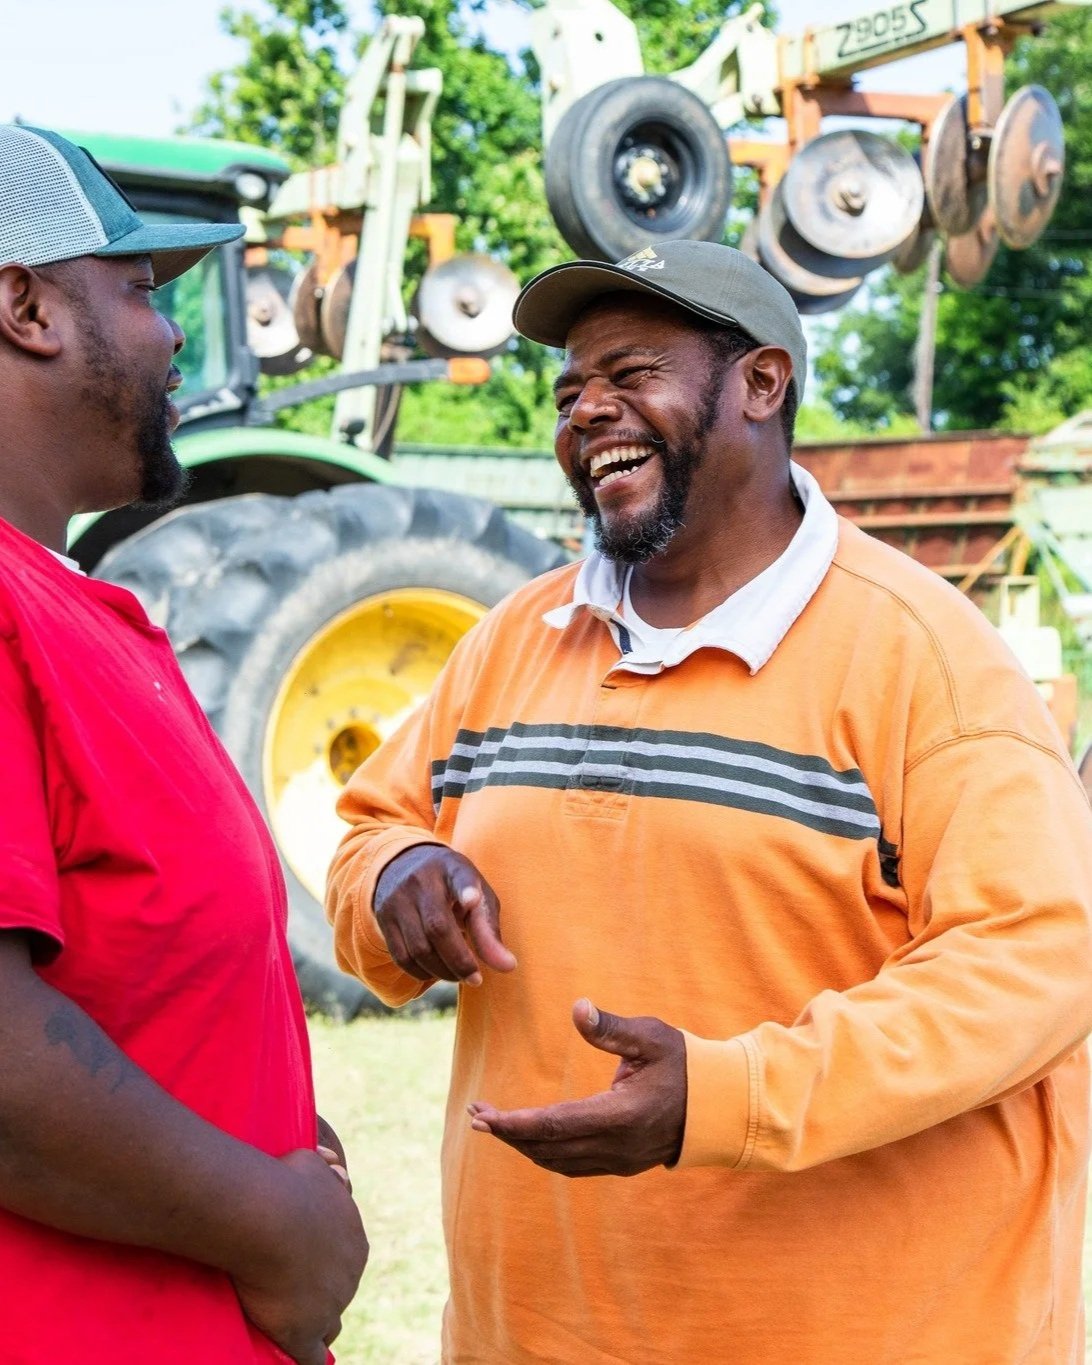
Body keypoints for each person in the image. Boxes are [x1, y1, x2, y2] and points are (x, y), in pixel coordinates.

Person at [327, 238, 1092, 1364]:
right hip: (535, 1337)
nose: (588, 411)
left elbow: (1038, 965)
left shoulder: (922, 657)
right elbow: (363, 836)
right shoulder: (513, 643)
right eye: (571, 390)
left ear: (763, 384)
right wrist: (397, 876)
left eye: (631, 375)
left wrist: (728, 1097)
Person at [0, 124, 367, 1365]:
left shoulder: (67, 606)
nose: (170, 337)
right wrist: (275, 1228)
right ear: (25, 306)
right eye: (144, 292)